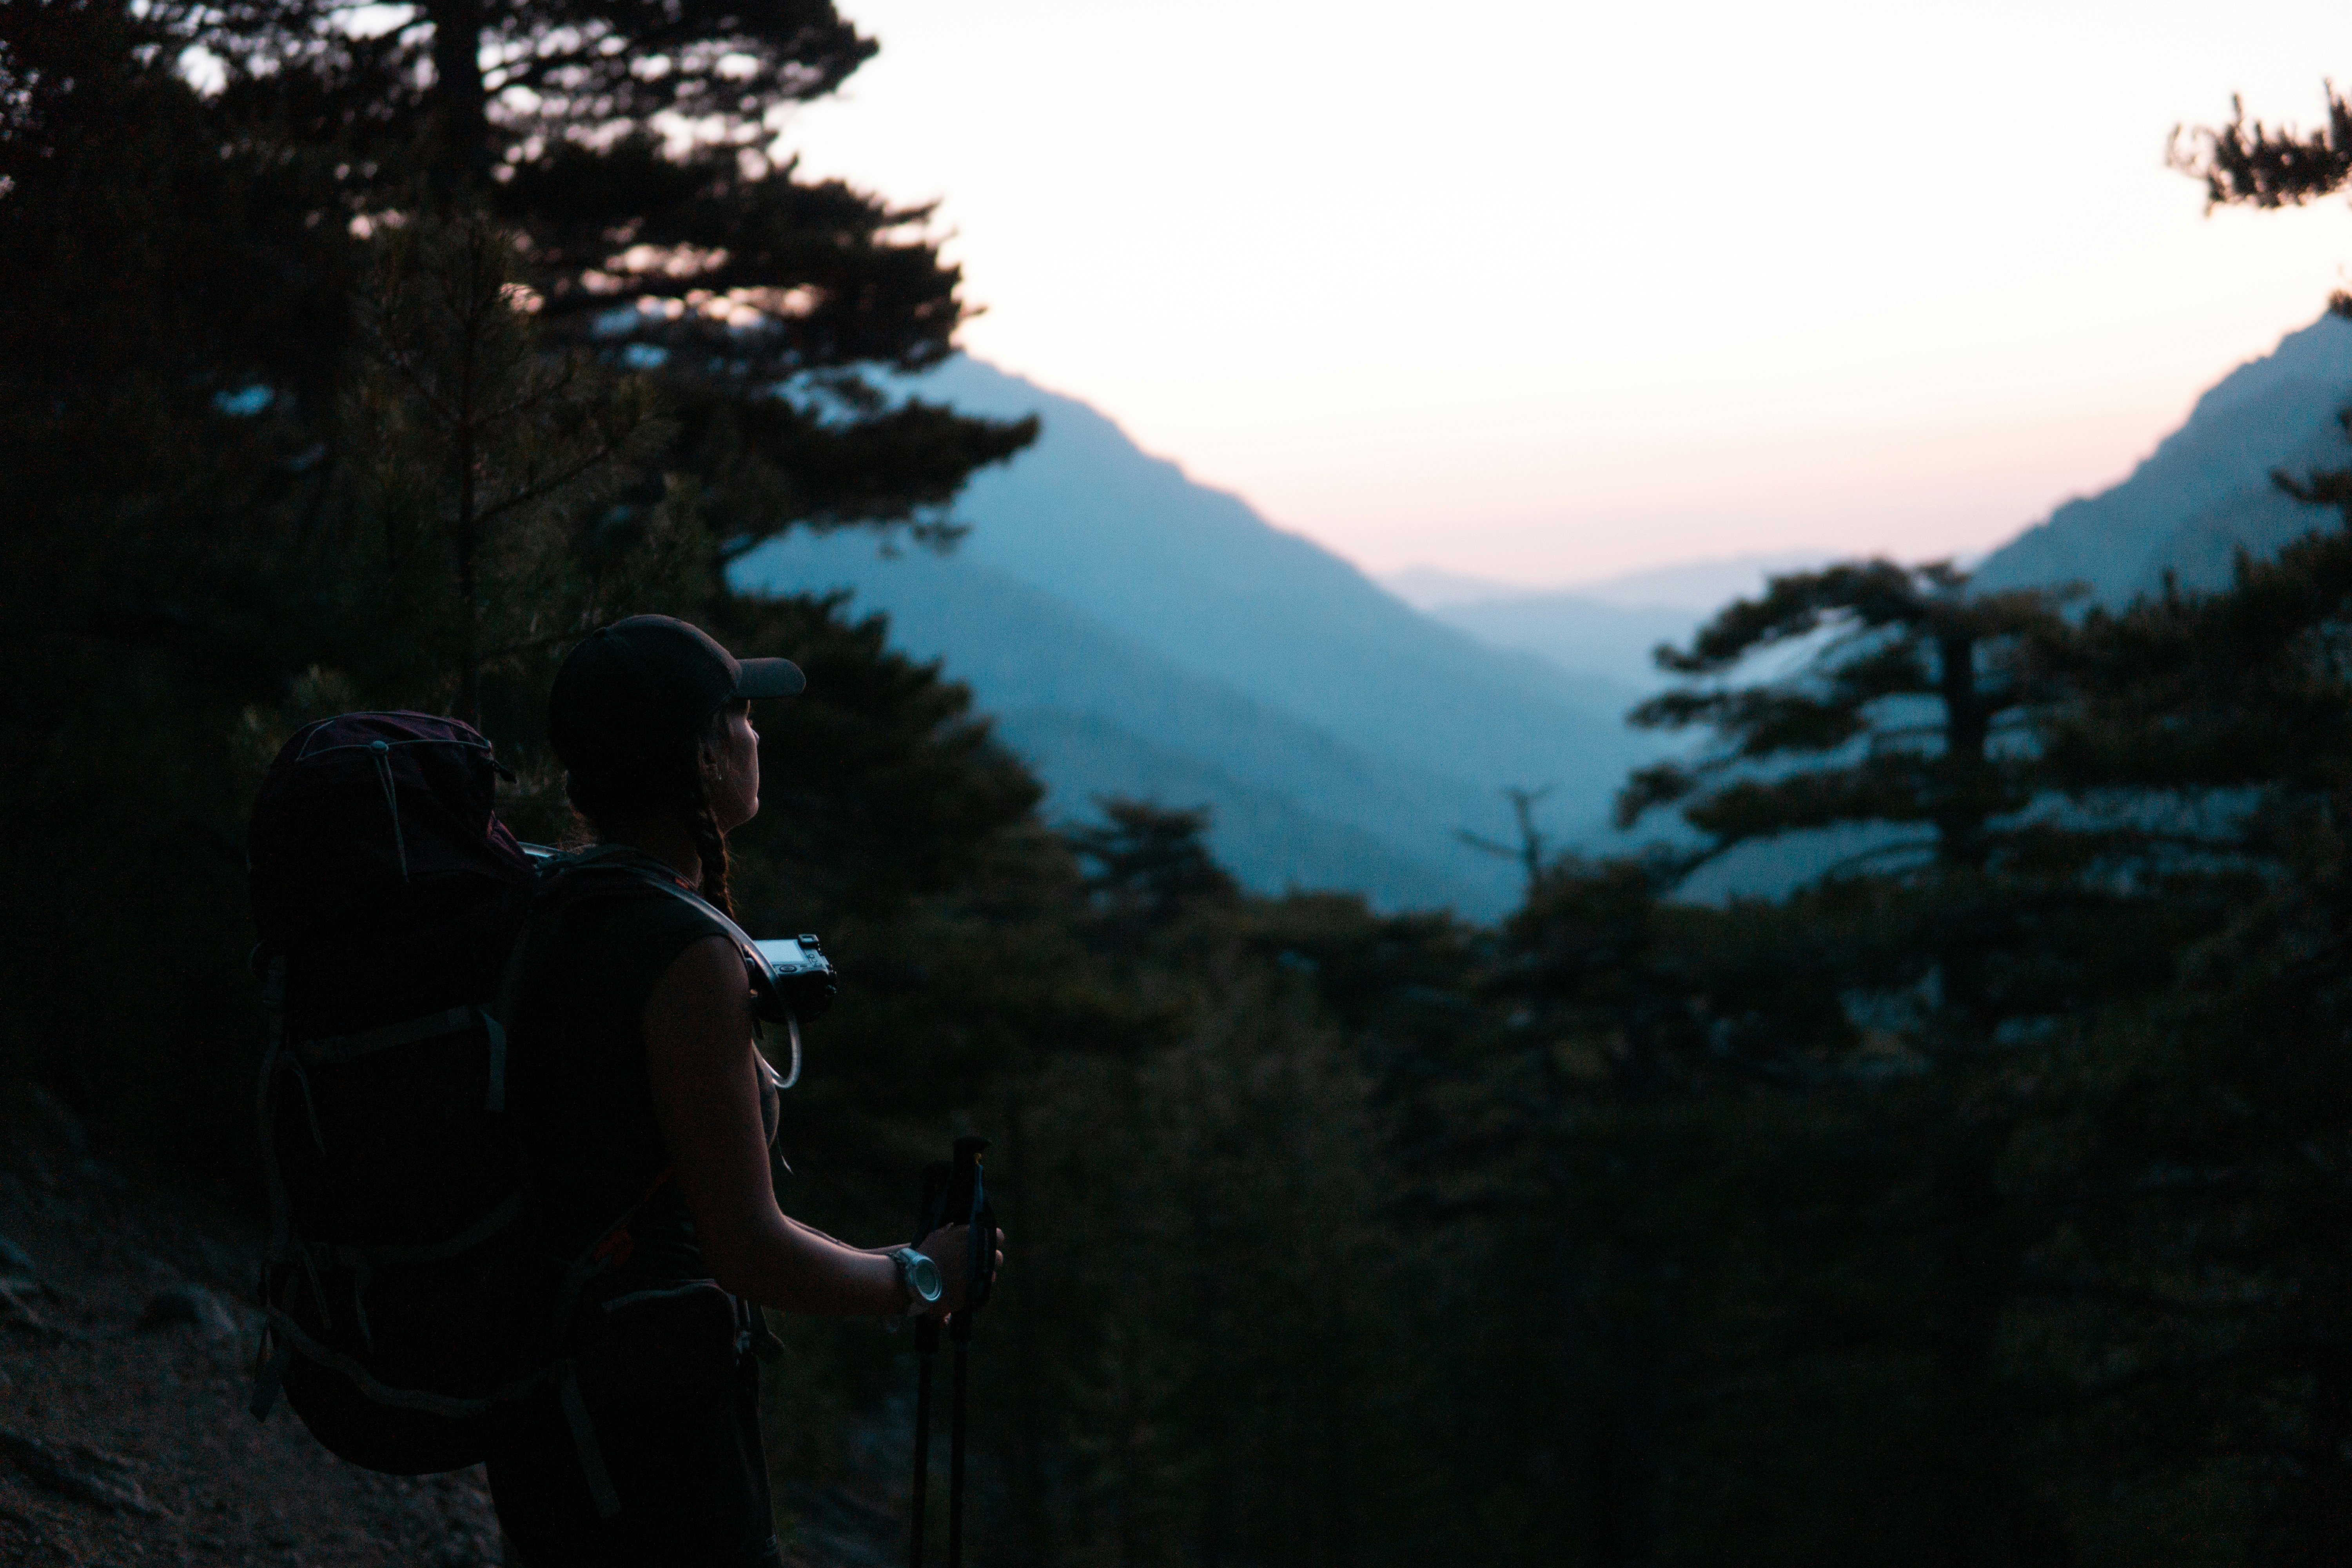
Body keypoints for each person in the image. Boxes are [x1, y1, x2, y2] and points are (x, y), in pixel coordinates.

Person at [485, 614, 998, 1568]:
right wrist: (922, 1278)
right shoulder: (683, 954)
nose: (760, 734)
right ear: (708, 753)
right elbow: (749, 1249)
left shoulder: (554, 901)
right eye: (746, 714)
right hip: (658, 1434)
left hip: (551, 1402)